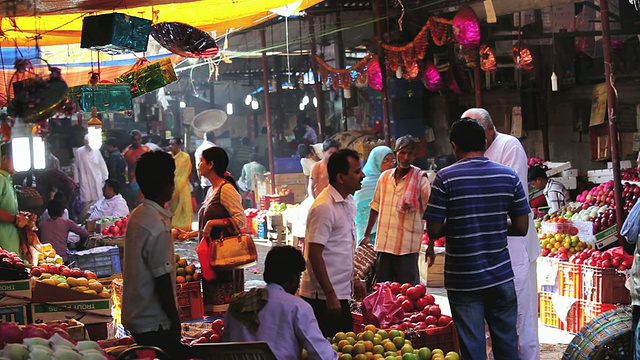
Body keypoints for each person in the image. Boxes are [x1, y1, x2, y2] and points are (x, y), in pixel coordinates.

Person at [423, 118, 530, 360]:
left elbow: (435, 228)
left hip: (464, 278)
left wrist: (463, 221)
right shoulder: (508, 175)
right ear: (484, 142)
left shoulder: (445, 178)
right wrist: (490, 223)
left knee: (473, 348)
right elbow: (522, 226)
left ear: (454, 145)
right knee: (507, 345)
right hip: (501, 275)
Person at [462, 107, 541, 360]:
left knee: (520, 318)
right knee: (492, 321)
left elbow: (510, 198)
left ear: (490, 129)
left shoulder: (509, 146)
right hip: (487, 246)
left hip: (514, 244)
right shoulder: (472, 150)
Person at [223, 246, 337, 360]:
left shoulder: (237, 303)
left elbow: (225, 343)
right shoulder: (297, 307)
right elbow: (323, 355)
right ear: (294, 278)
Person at [122, 151, 184, 359]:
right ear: (168, 182)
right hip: (154, 323)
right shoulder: (157, 225)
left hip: (136, 316)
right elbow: (162, 277)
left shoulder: (138, 215)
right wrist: (175, 322)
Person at [300, 149, 366, 337]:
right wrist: (329, 294)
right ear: (341, 177)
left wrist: (353, 277)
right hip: (322, 297)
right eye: (356, 171)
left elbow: (343, 246)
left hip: (340, 292)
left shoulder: (349, 202)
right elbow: (314, 253)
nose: (362, 175)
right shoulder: (324, 207)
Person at [362, 136, 430, 284]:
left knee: (408, 292)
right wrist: (367, 235)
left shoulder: (421, 180)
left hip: (407, 247)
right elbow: (375, 206)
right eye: (402, 152)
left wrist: (430, 244)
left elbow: (429, 212)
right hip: (385, 244)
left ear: (414, 155)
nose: (405, 157)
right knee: (383, 290)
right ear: (396, 153)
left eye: (409, 154)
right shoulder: (384, 177)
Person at [197, 147, 246, 316]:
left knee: (224, 313)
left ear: (211, 165)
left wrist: (212, 223)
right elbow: (206, 226)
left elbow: (240, 220)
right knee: (211, 313)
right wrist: (189, 234)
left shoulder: (226, 189)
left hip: (225, 261)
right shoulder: (211, 190)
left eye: (202, 161)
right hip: (210, 259)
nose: (199, 165)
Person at [354, 146, 393, 245]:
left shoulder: (390, 180)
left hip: (388, 231)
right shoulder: (365, 183)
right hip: (368, 233)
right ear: (376, 161)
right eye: (386, 160)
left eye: (392, 160)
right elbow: (359, 209)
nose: (391, 164)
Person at [0, 143, 29, 254]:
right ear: (5, 159)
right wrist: (16, 219)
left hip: (10, 246)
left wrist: (21, 216)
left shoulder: (7, 179)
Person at [73, 134, 109, 207]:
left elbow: (102, 165)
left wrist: (105, 177)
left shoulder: (97, 151)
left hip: (96, 178)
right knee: (86, 200)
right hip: (84, 178)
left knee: (98, 199)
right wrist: (77, 180)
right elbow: (76, 167)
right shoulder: (79, 152)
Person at [168, 137, 193, 230]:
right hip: (170, 186)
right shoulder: (168, 156)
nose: (170, 146)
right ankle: (173, 227)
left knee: (184, 208)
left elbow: (186, 172)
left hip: (182, 186)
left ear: (179, 145)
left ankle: (184, 229)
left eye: (173, 144)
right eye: (169, 144)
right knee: (173, 208)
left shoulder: (185, 157)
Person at [123, 130, 150, 206]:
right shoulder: (127, 152)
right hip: (133, 179)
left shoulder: (146, 149)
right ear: (131, 140)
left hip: (147, 178)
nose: (138, 141)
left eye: (139, 139)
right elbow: (125, 167)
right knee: (136, 202)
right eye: (135, 140)